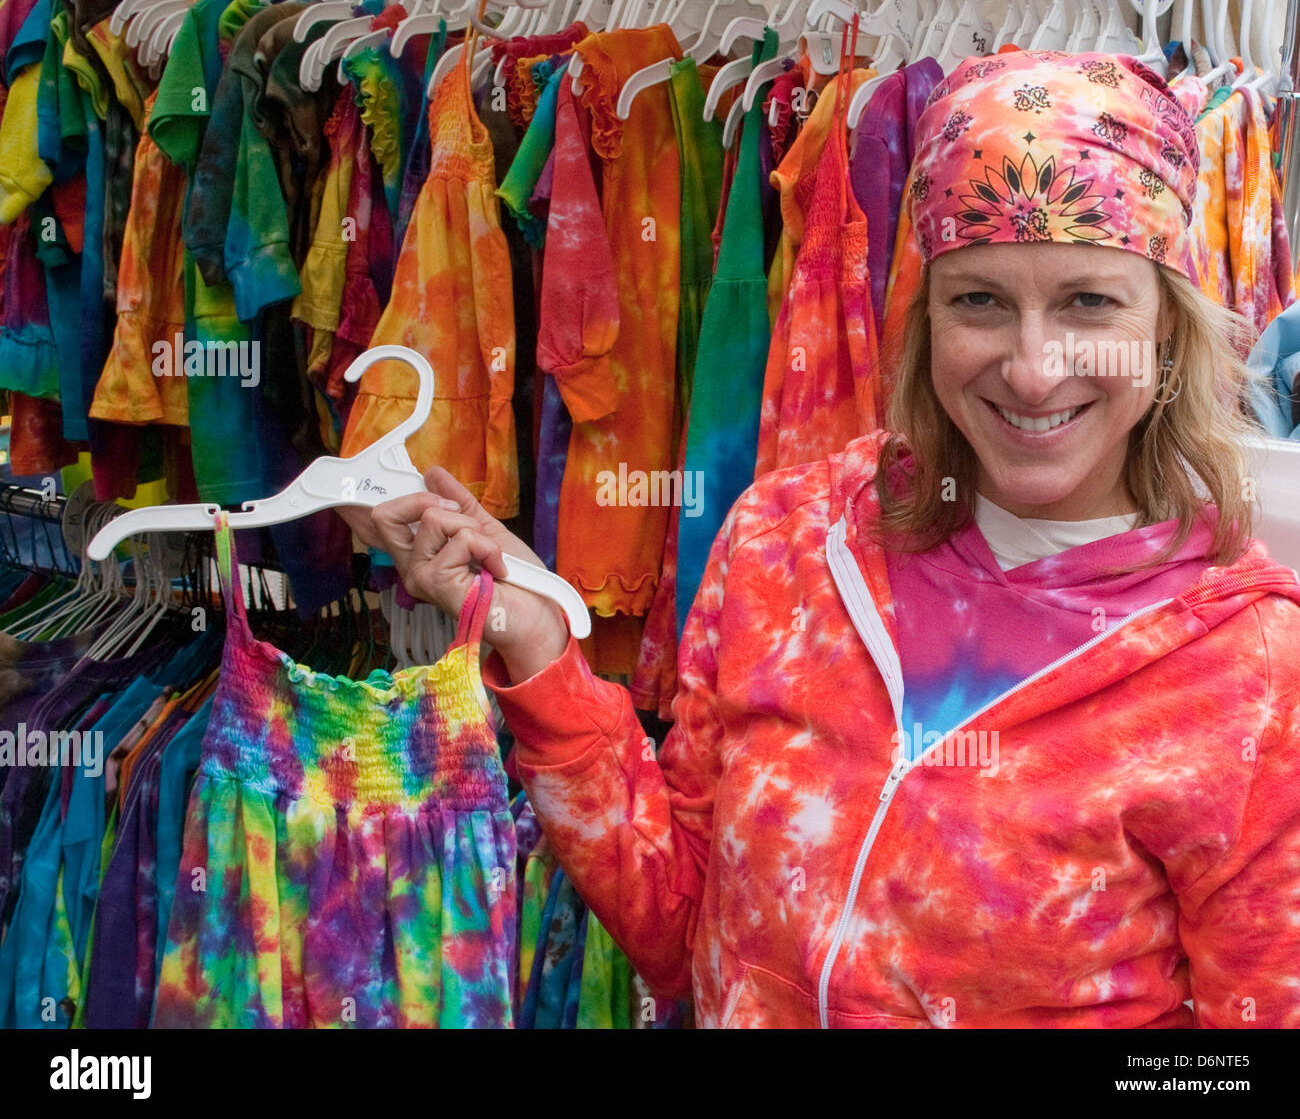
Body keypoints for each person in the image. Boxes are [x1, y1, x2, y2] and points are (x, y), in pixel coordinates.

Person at [342, 51, 1300, 1028]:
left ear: (1166, 333)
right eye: (979, 300)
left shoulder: (1246, 666)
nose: (1032, 366)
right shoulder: (788, 541)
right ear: (926, 317)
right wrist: (541, 646)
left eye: (1088, 302)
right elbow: (681, 928)